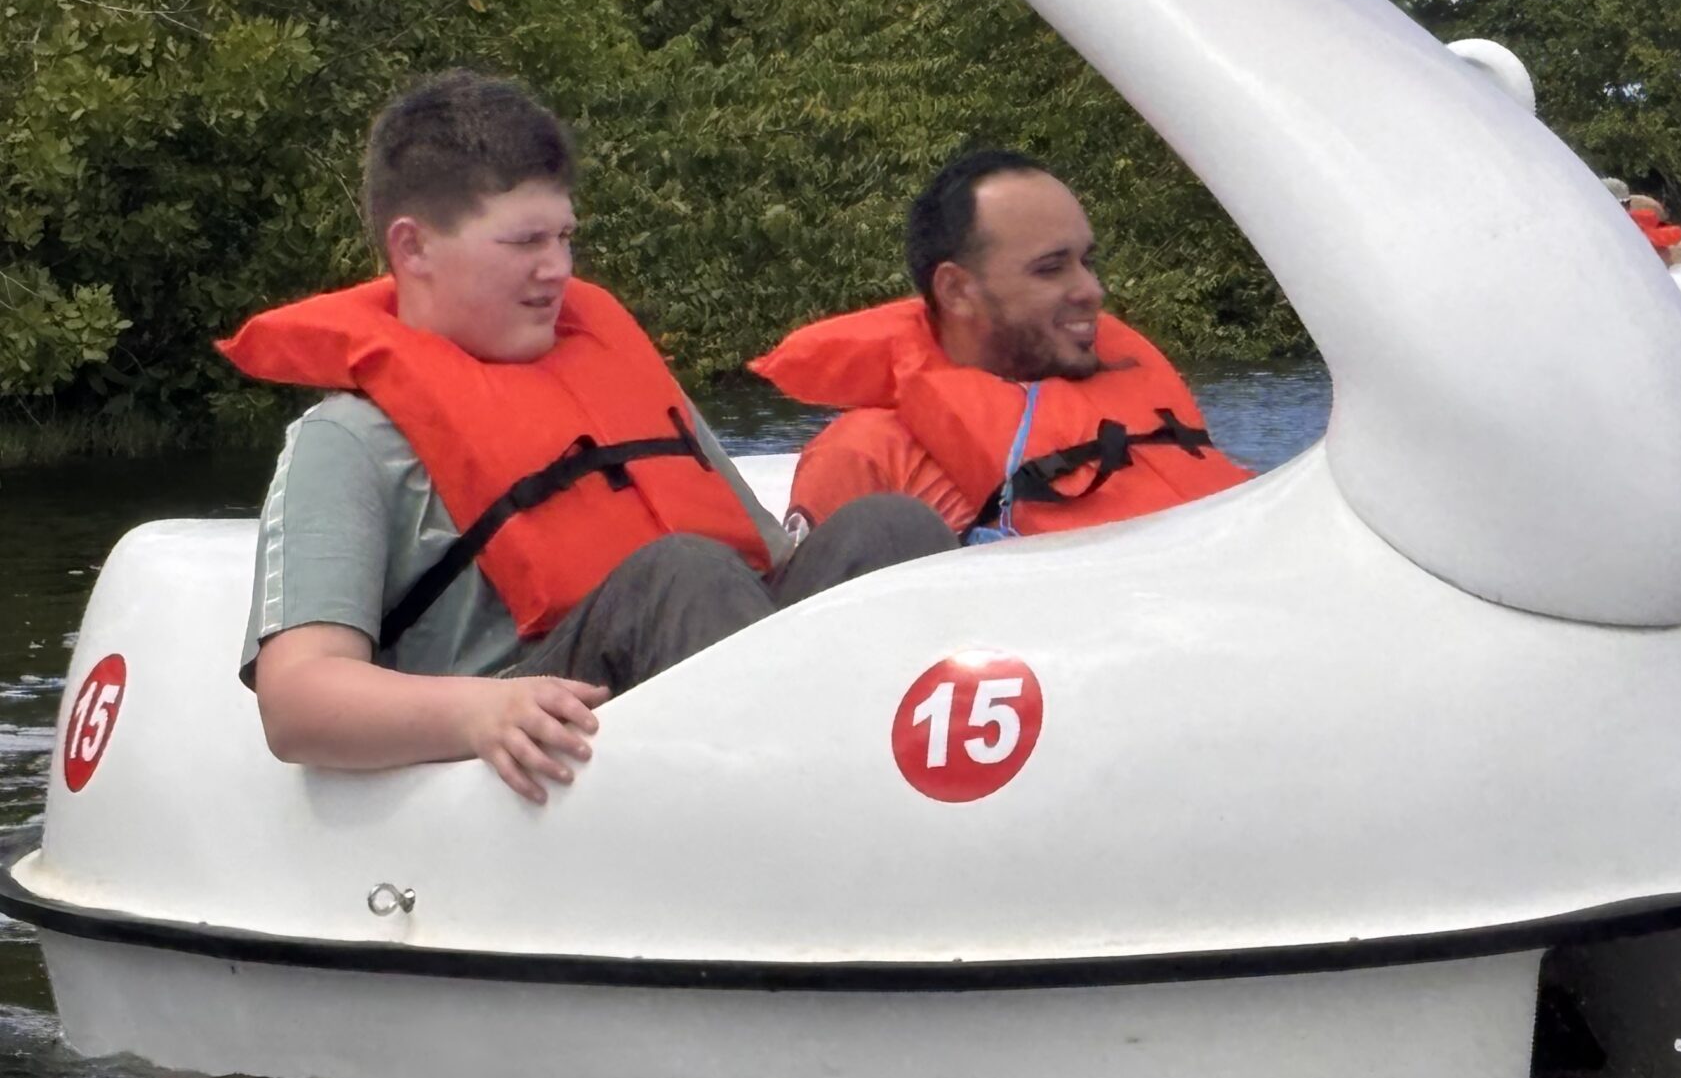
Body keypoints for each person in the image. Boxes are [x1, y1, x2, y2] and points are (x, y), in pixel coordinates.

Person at [225, 71, 952, 804]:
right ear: (413, 249)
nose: (559, 269)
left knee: (888, 527)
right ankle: (820, 814)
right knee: (682, 574)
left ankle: (934, 787)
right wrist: (478, 712)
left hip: (703, 675)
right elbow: (297, 703)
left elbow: (767, 566)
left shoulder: (614, 380)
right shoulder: (346, 441)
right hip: (531, 726)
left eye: (566, 236)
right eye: (525, 242)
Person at [754, 150, 1252, 541]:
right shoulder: (867, 457)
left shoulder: (1138, 412)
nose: (1092, 291)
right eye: (1051, 268)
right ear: (956, 290)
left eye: (1087, 262)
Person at [1601, 175, 1681, 263]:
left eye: (1627, 203)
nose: (1626, 208)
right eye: (1623, 204)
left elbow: (1674, 233)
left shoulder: (1636, 222)